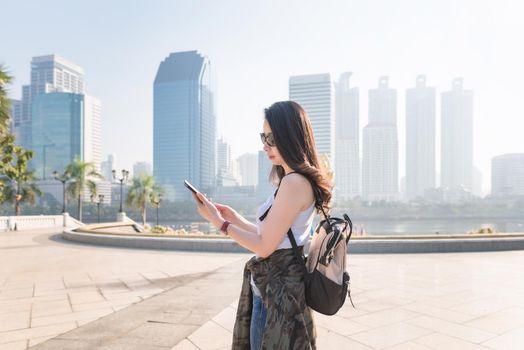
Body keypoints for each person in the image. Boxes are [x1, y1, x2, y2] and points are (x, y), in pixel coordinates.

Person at [191, 100, 333, 350]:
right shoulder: (292, 180)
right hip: (276, 293)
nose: (265, 145)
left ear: (291, 136)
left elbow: (264, 247)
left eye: (272, 138)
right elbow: (269, 235)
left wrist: (218, 222)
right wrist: (232, 218)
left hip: (277, 300)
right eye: (263, 137)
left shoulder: (293, 183)